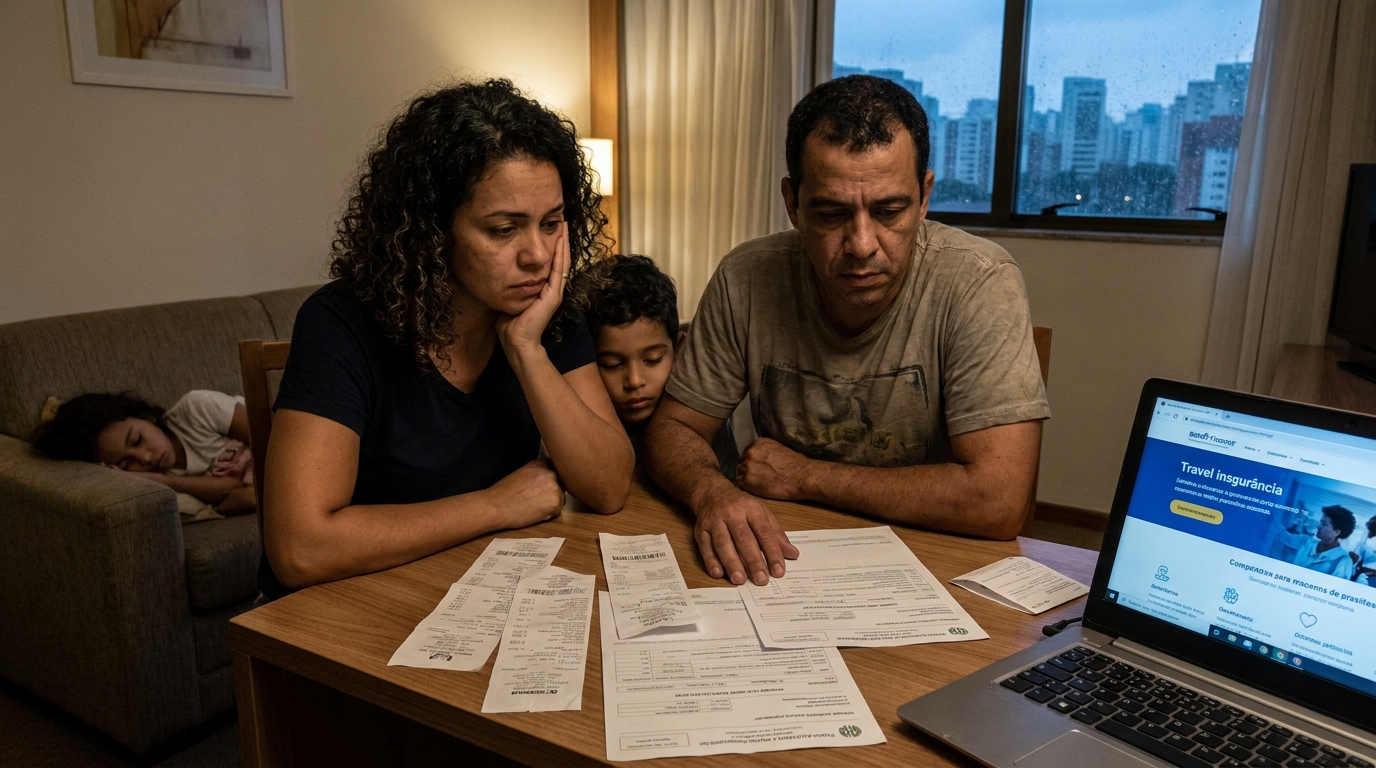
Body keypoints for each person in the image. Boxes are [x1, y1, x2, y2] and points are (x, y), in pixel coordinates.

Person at [645, 74, 1049, 587]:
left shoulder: (980, 280)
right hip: (783, 562)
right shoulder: (745, 277)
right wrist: (712, 492)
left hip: (938, 567)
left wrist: (805, 476)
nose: (861, 244)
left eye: (888, 211)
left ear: (924, 197)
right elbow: (674, 428)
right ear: (792, 204)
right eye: (832, 213)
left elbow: (999, 501)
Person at [260, 79, 634, 599]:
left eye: (551, 224)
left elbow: (609, 486)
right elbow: (301, 549)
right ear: (432, 230)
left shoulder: (547, 310)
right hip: (345, 607)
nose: (537, 255)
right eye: (504, 229)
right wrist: (496, 505)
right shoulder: (340, 324)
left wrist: (527, 350)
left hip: (471, 587)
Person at [582, 254, 737, 471]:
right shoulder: (577, 424)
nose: (635, 381)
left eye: (653, 360)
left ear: (679, 349)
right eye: (612, 364)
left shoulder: (700, 420)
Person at [31, 391, 257, 518]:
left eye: (138, 440)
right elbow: (232, 490)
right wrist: (158, 480)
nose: (146, 458)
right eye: (127, 464)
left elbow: (269, 433)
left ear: (143, 416)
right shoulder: (161, 485)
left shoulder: (196, 409)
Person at [1284, 505, 1356, 580]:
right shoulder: (1306, 541)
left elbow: (1336, 589)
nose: (1318, 526)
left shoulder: (1343, 561)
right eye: (1320, 522)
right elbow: (1282, 535)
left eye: (1324, 524)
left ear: (1336, 532)